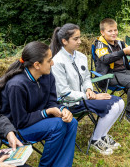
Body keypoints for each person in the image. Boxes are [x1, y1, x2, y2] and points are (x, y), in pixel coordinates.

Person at [0, 42, 78, 167]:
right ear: (37, 65)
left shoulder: (48, 75)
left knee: (71, 122)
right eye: (49, 61)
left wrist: (62, 110)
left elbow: (52, 102)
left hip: (36, 121)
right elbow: (20, 121)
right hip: (16, 129)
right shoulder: (17, 85)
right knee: (57, 125)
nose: (53, 64)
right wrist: (47, 112)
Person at [50, 23, 124, 155]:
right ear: (64, 41)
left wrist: (89, 89)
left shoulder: (81, 56)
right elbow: (64, 92)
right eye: (76, 39)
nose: (80, 41)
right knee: (112, 106)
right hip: (70, 102)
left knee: (120, 103)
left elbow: (86, 78)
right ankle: (95, 140)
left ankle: (103, 135)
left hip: (86, 96)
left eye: (80, 37)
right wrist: (92, 96)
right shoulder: (57, 61)